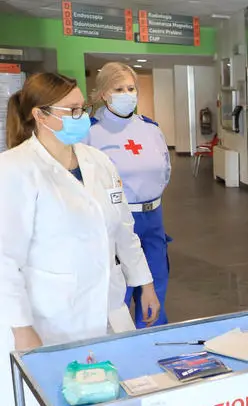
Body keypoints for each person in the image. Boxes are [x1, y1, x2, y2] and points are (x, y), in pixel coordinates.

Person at [0, 73, 160, 405]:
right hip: (52, 318)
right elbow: (5, 259)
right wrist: (20, 327)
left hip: (108, 306)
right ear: (40, 115)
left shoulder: (98, 161)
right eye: (71, 110)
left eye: (82, 108)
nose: (82, 117)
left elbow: (123, 230)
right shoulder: (15, 169)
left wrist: (145, 283)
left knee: (115, 392)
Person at [86, 62, 172, 328]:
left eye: (131, 88)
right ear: (103, 94)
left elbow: (165, 169)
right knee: (117, 293)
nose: (127, 93)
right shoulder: (91, 132)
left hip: (152, 218)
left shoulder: (150, 128)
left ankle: (153, 342)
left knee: (155, 287)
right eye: (119, 88)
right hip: (114, 220)